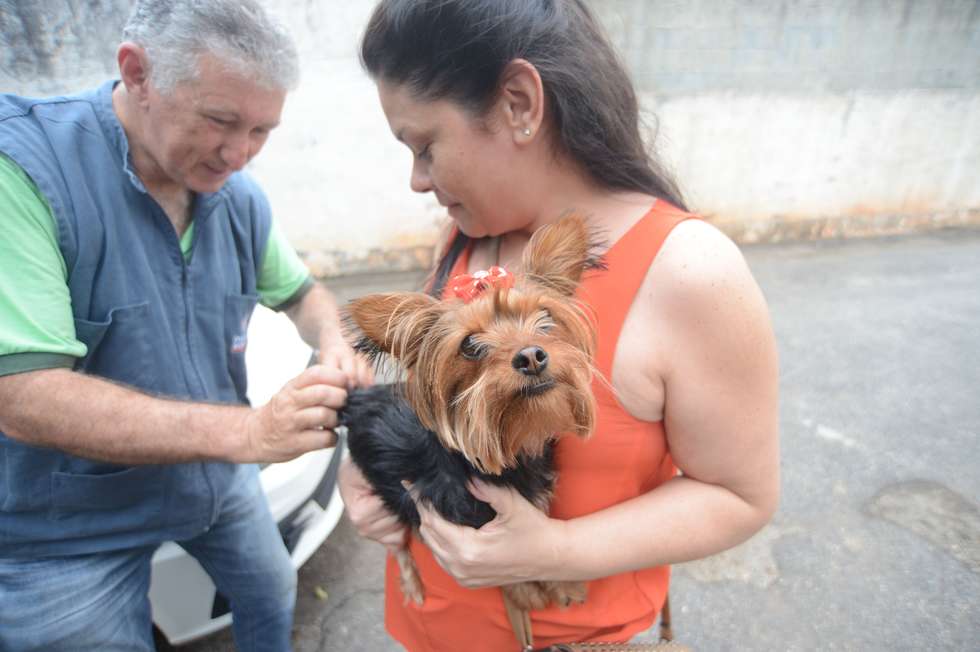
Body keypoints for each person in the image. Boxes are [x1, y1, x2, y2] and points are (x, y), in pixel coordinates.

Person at [338, 1, 780, 650]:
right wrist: (365, 474)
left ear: (519, 102)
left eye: (425, 146)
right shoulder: (462, 236)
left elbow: (742, 497)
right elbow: (426, 399)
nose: (417, 179)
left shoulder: (690, 270)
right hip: (426, 626)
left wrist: (556, 548)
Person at [0, 1, 371, 650]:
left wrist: (336, 339)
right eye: (220, 120)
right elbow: (22, 395)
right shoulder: (24, 174)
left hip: (213, 476)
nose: (240, 154)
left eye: (263, 131)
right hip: (62, 529)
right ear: (137, 71)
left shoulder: (237, 197)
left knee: (270, 589)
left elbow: (303, 293)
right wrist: (252, 431)